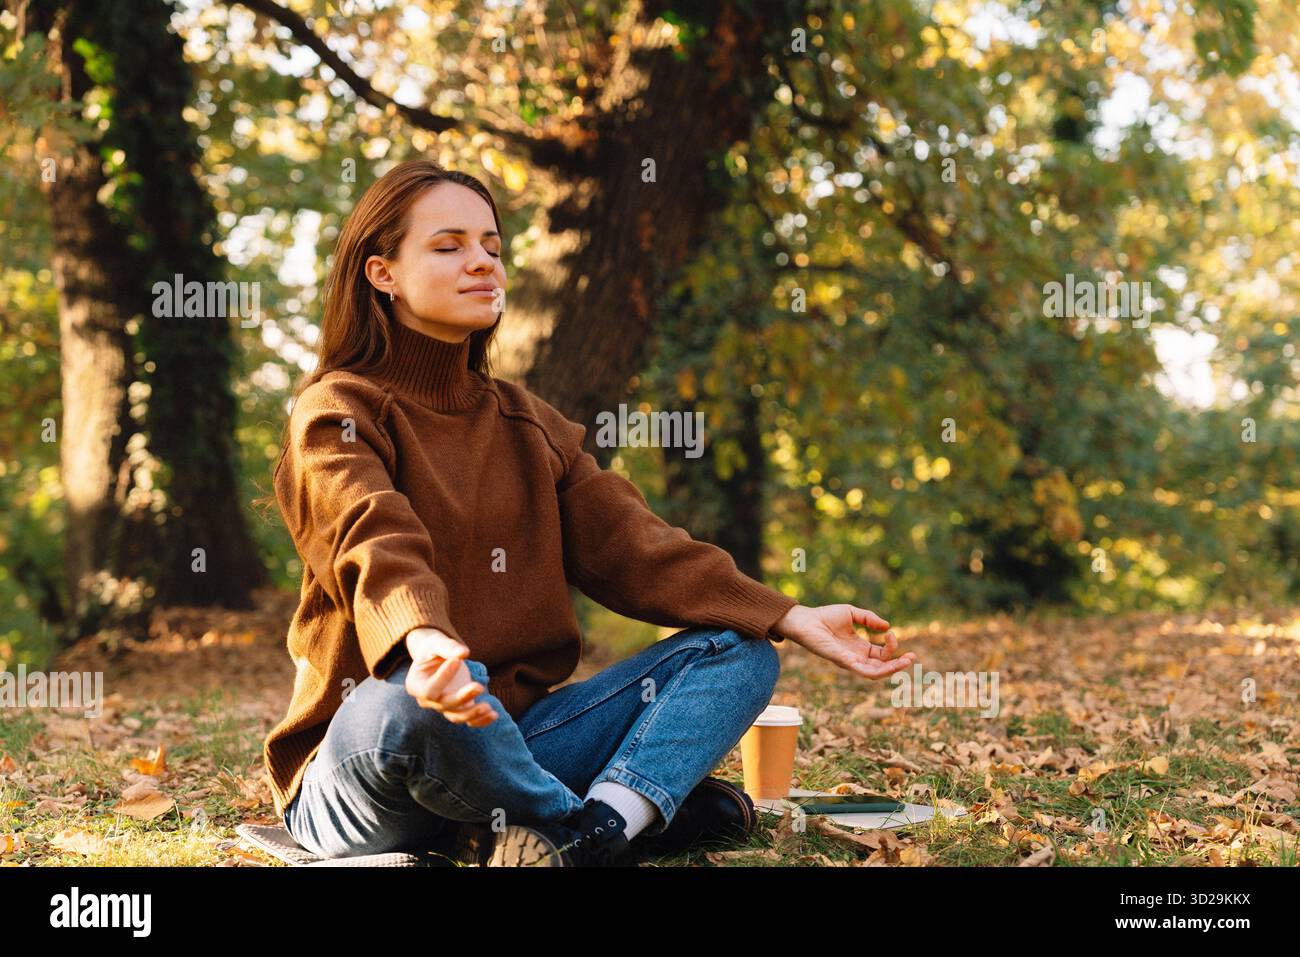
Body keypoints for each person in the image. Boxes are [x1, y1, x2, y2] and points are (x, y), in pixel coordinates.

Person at [257, 159, 918, 867]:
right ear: (382, 273)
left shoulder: (528, 423)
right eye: (449, 245)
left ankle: (587, 836)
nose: (482, 262)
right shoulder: (337, 410)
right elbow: (369, 533)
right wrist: (423, 641)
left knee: (739, 651)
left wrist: (788, 615)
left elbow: (636, 546)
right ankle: (607, 824)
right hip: (371, 766)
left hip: (517, 748)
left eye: (491, 246)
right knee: (416, 702)